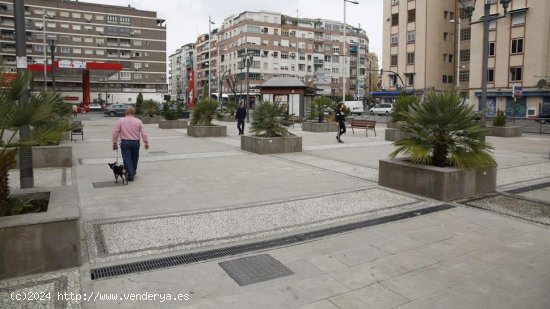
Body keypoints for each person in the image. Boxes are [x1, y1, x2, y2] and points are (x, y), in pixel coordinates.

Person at [112, 107, 149, 181]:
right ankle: (133, 171)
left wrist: (114, 142)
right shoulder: (138, 121)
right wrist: (146, 142)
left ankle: (130, 174)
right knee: (135, 158)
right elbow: (144, 133)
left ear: (126, 112)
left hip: (125, 142)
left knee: (127, 159)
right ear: (133, 113)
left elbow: (116, 132)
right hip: (135, 142)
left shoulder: (121, 121)